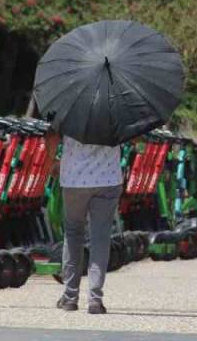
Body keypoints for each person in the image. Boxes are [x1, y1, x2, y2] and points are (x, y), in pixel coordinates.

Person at [56, 133, 123, 315]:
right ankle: (95, 299)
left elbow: (51, 135)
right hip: (108, 179)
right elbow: (135, 137)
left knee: (73, 233)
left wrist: (51, 162)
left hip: (74, 179)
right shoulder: (116, 115)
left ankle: (70, 297)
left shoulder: (70, 114)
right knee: (100, 238)